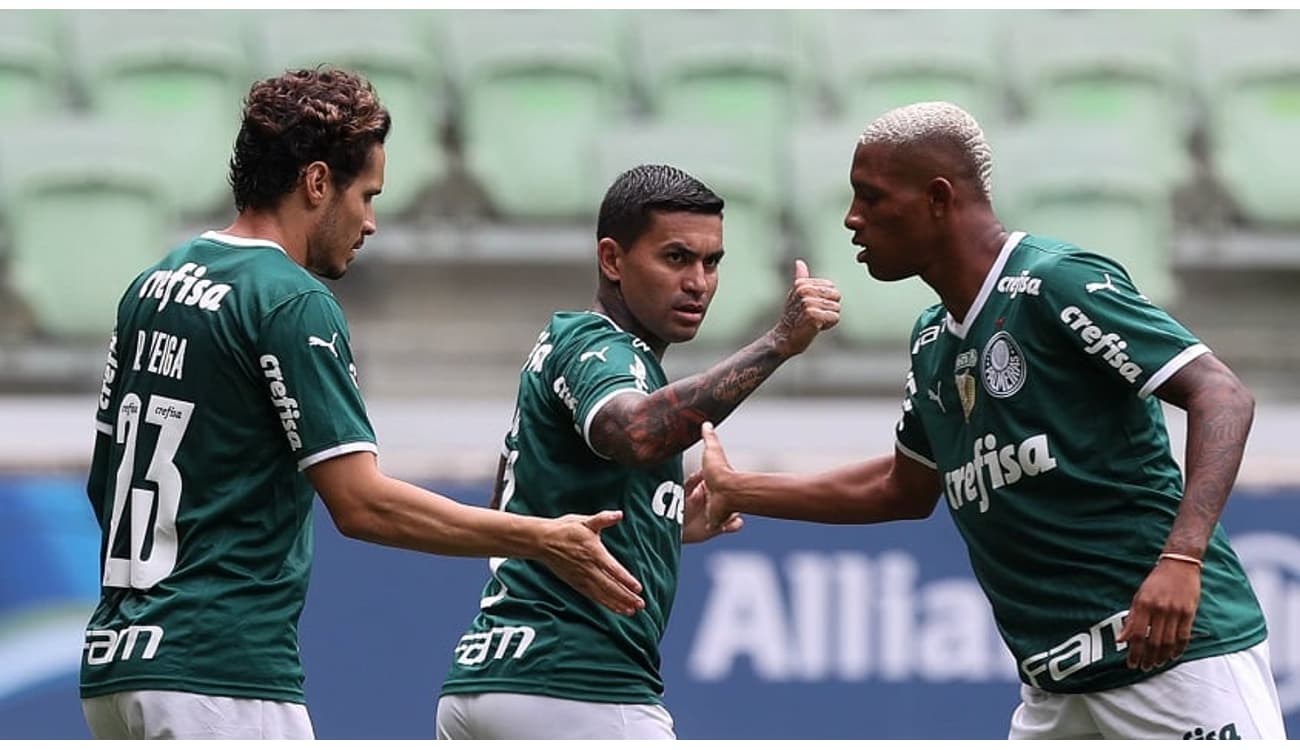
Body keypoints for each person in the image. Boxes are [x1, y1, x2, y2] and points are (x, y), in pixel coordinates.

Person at [80, 67, 646, 741]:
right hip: (219, 677)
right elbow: (362, 503)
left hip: (118, 667)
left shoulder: (153, 284)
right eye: (367, 195)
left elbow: (105, 485)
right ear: (317, 182)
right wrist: (540, 537)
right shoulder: (290, 301)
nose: (371, 221)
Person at [693, 101, 1287, 740]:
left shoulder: (1054, 284)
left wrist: (1183, 558)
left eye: (870, 196)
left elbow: (1221, 395)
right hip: (1056, 691)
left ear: (938, 198)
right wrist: (741, 488)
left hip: (1170, 660)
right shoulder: (931, 342)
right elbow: (906, 487)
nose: (851, 219)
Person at [434, 164, 842, 739]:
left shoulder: (564, 346)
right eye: (676, 258)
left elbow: (515, 501)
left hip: (482, 681)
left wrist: (659, 522)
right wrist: (778, 344)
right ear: (612, 260)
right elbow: (636, 434)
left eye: (712, 262)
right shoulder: (600, 345)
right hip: (576, 686)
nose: (698, 281)